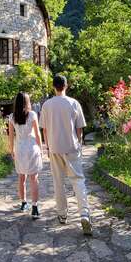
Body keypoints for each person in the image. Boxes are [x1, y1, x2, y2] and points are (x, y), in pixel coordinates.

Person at [39, 75, 92, 235]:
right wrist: (79, 143)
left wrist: (48, 147)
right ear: (66, 85)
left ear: (53, 86)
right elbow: (79, 128)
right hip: (72, 147)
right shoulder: (74, 103)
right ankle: (84, 214)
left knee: (58, 182)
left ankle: (62, 214)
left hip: (54, 147)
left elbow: (45, 129)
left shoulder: (47, 105)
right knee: (78, 180)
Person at [8, 92, 43, 219]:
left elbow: (11, 136)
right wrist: (41, 149)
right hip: (32, 148)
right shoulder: (32, 114)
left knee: (21, 178)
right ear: (27, 102)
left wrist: (11, 150)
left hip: (20, 149)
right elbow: (38, 134)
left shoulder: (12, 117)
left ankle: (23, 203)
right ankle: (35, 207)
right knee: (34, 178)